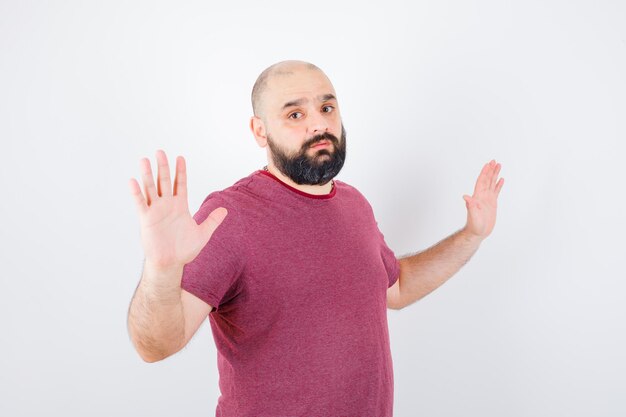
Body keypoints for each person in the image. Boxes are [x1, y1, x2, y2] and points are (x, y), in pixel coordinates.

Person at [126, 60, 504, 416]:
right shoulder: (229, 215)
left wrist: (471, 235)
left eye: (327, 108)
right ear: (260, 130)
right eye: (295, 114)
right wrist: (161, 269)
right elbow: (155, 346)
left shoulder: (356, 205)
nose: (318, 125)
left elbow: (397, 288)